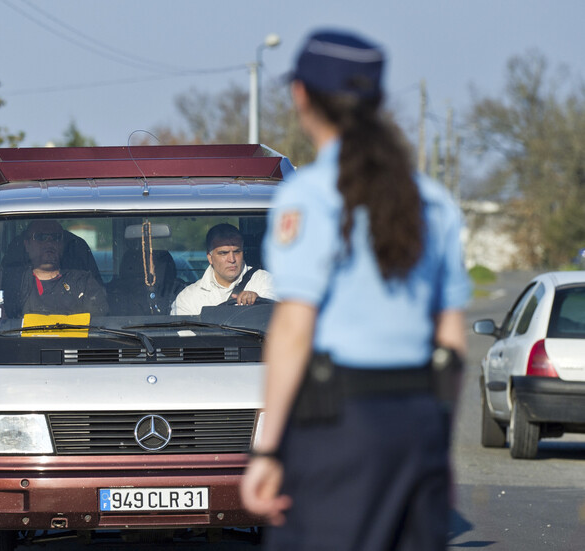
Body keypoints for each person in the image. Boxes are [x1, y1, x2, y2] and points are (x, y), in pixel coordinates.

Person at [238, 30, 470, 550]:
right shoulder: (435, 202)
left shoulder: (309, 196)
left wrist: (268, 452)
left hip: (339, 427)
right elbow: (451, 341)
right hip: (417, 421)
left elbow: (294, 331)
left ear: (301, 95)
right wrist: (438, 447)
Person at [8, 220, 108, 318]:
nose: (49, 242)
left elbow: (98, 326)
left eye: (56, 237)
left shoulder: (84, 282)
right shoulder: (12, 282)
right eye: (40, 237)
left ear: (62, 244)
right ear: (27, 245)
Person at [170, 223, 274, 315]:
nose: (232, 259)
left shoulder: (264, 281)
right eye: (223, 253)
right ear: (210, 257)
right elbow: (182, 334)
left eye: (237, 252)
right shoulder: (189, 297)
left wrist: (260, 303)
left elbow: (282, 318)